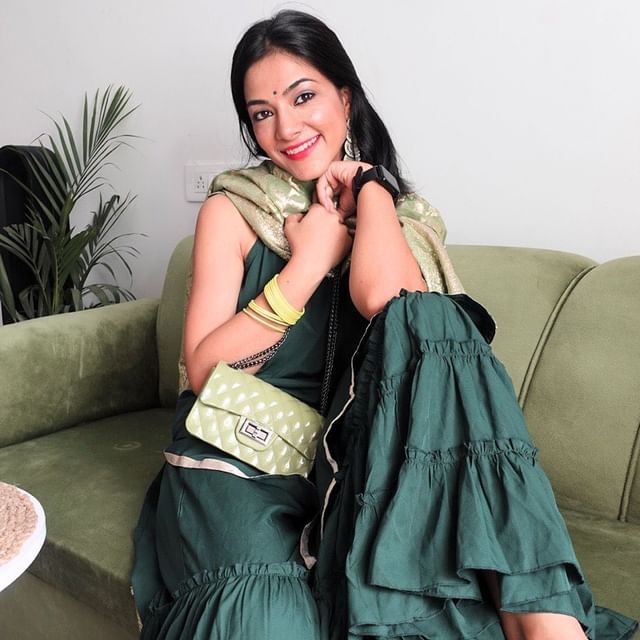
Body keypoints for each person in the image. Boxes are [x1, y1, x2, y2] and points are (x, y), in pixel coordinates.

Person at [131, 10, 638, 640]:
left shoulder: (404, 217)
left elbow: (387, 298)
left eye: (304, 97)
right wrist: (307, 264)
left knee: (433, 319)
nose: (285, 128)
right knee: (272, 621)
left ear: (345, 98)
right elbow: (206, 368)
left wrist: (371, 188)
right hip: (243, 449)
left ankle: (544, 622)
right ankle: (543, 615)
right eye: (262, 112)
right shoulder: (233, 208)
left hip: (353, 455)